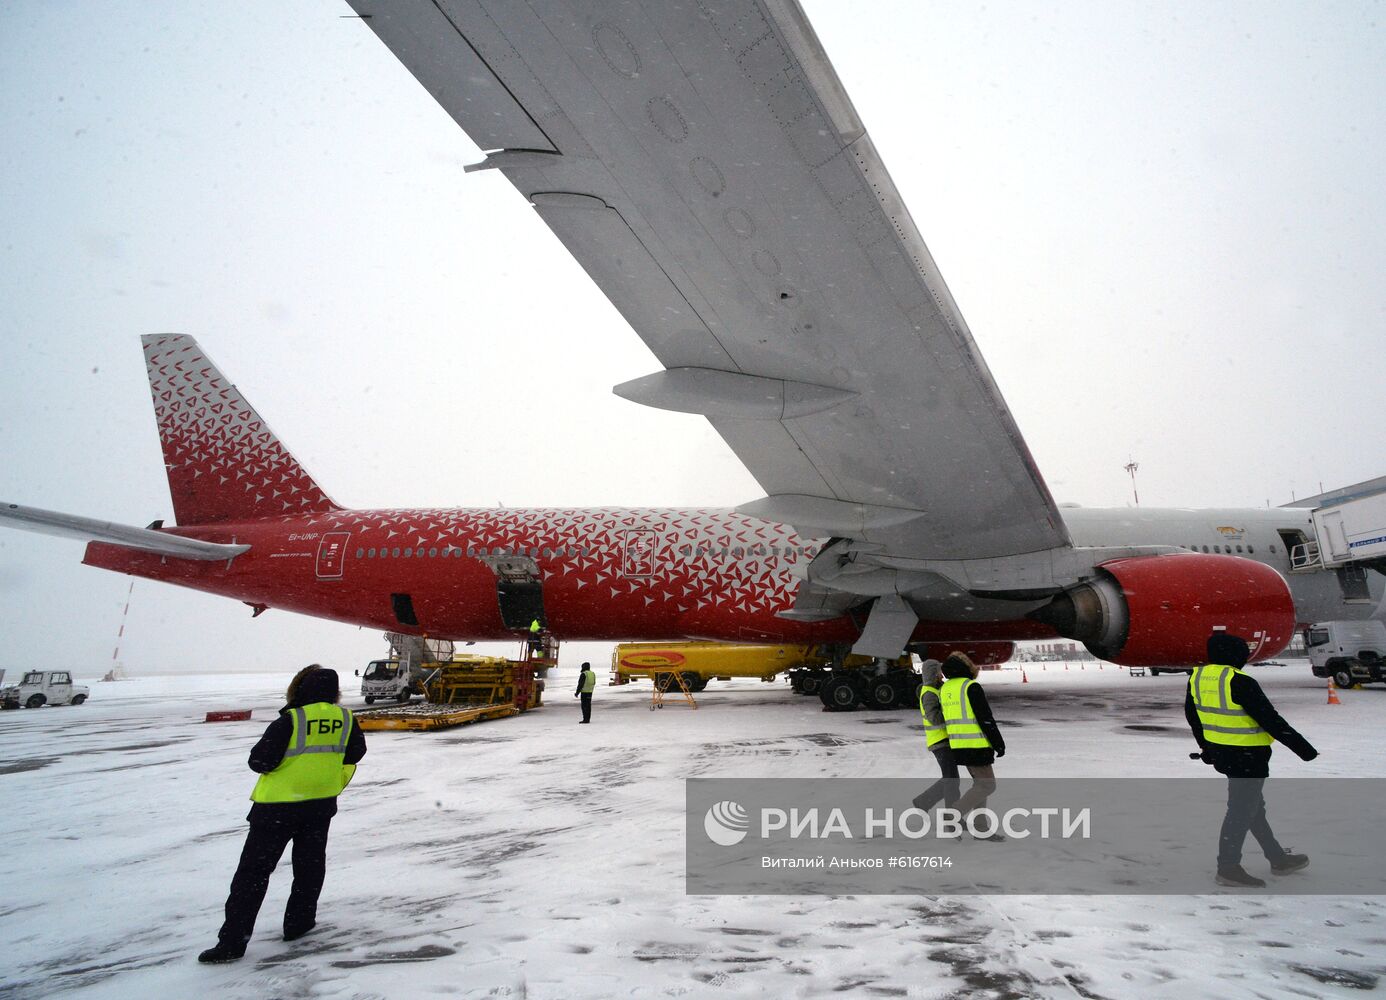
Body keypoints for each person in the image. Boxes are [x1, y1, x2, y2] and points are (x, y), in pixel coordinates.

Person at [198, 665, 367, 963]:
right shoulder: (345, 718)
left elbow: (260, 760)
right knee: (309, 868)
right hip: (319, 806)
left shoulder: (292, 719)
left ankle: (233, 943)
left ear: (300, 689)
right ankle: (299, 924)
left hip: (276, 810)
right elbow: (355, 753)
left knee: (253, 875)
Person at [1186, 633, 1316, 888]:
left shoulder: (1198, 678)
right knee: (1241, 812)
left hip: (1224, 755)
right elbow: (1271, 720)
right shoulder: (1240, 681)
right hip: (1248, 757)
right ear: (1235, 655)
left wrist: (1206, 747)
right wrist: (1304, 749)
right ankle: (1228, 867)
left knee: (1253, 809)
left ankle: (1278, 858)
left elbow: (1193, 717)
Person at [937, 652, 1005, 840]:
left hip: (958, 744)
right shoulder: (970, 687)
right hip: (977, 744)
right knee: (988, 785)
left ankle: (981, 828)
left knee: (979, 784)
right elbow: (985, 718)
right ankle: (953, 814)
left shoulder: (946, 688)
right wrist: (998, 744)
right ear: (967, 667)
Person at [911, 659, 959, 811]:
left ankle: (924, 801)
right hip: (939, 741)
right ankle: (952, 816)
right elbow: (934, 719)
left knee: (950, 779)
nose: (941, 675)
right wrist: (951, 715)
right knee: (951, 780)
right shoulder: (929, 693)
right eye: (939, 672)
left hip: (944, 740)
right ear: (933, 673)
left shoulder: (937, 689)